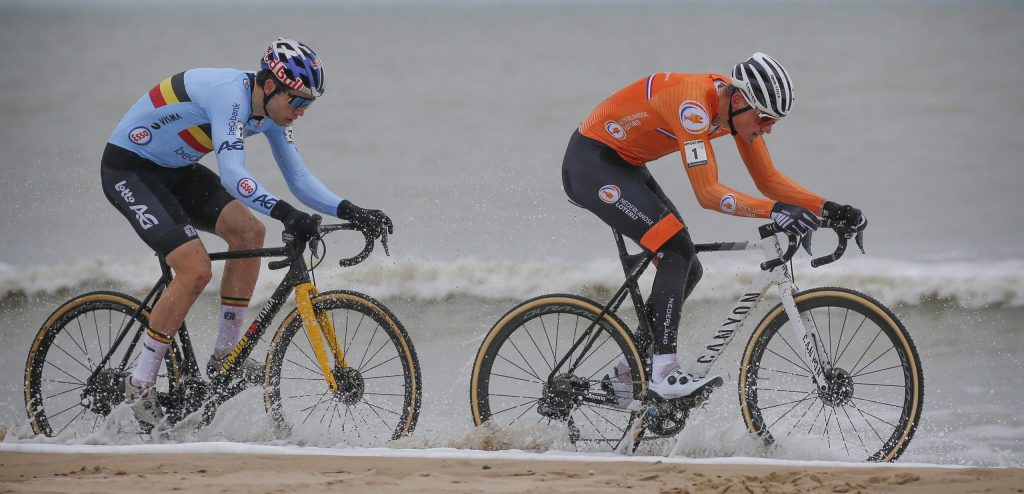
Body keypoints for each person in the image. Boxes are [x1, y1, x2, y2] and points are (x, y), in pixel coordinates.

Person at [101, 37, 393, 429]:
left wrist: (351, 210)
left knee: (249, 232)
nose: (302, 111)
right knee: (195, 269)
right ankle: (141, 382)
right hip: (130, 170)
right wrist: (288, 214)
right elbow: (234, 174)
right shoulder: (230, 96)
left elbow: (299, 177)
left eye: (309, 104)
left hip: (175, 170)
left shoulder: (273, 115)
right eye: (298, 100)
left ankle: (225, 355)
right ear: (270, 85)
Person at [561, 52, 867, 401]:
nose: (768, 127)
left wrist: (830, 208)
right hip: (592, 165)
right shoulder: (693, 105)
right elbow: (708, 193)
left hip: (626, 164)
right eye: (765, 118)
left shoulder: (735, 112)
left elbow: (767, 179)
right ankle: (663, 374)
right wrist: (777, 211)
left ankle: (625, 375)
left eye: (775, 121)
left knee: (688, 266)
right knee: (675, 249)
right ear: (739, 100)